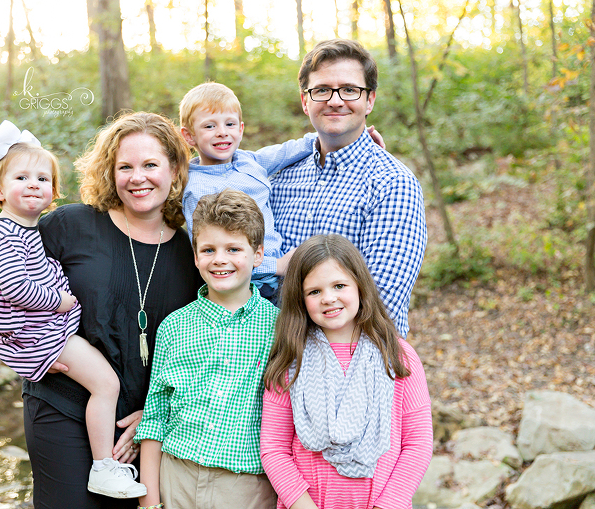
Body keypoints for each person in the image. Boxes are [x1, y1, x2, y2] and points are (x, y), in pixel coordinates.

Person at [22, 112, 204, 509]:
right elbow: (3, 289)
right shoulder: (70, 225)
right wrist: (27, 349)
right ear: (111, 172)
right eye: (125, 167)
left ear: (174, 169)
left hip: (144, 425)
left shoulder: (194, 253)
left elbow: (200, 352)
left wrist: (153, 417)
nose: (138, 177)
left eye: (151, 165)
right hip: (63, 406)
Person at [0, 120, 145, 499]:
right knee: (106, 383)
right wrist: (61, 301)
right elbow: (15, 289)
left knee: (103, 382)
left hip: (45, 333)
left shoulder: (26, 229)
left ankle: (104, 464)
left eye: (42, 178)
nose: (34, 184)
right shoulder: (5, 234)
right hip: (45, 336)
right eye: (21, 177)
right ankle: (104, 466)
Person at [260, 234, 432, 509]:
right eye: (314, 291)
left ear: (360, 286)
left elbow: (418, 445)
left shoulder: (397, 356)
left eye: (339, 285)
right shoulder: (291, 359)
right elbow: (274, 449)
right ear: (300, 299)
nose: (329, 298)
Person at [269, 39, 427, 338]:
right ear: (306, 101)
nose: (335, 100)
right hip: (267, 364)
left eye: (350, 90)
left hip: (353, 366)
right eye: (322, 90)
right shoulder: (279, 178)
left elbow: (382, 303)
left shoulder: (392, 183)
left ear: (369, 100)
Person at [135, 189, 279, 509]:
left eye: (234, 249)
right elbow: (155, 416)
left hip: (246, 486)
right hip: (175, 476)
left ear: (257, 255)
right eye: (209, 249)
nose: (220, 260)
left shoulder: (281, 328)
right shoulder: (174, 326)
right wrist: (149, 502)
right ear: (196, 256)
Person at [179, 82, 313, 301]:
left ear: (241, 129)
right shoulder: (197, 187)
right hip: (242, 285)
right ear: (189, 136)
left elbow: (288, 150)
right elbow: (208, 250)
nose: (222, 132)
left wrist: (354, 137)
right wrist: (277, 266)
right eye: (209, 126)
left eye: (229, 124)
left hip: (279, 282)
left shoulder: (249, 160)